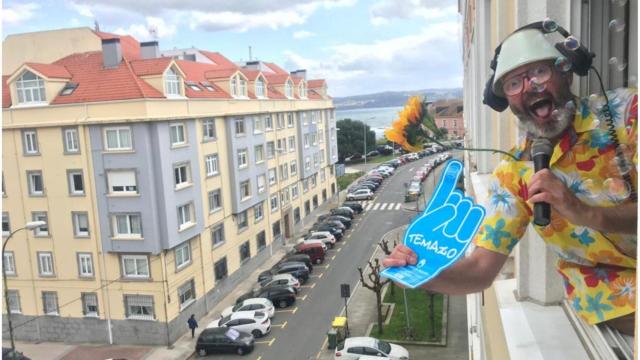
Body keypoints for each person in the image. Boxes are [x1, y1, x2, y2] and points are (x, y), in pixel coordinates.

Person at [383, 21, 637, 336]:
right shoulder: (513, 173)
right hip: (620, 303)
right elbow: (479, 271)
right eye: (513, 84)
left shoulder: (627, 113)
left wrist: (585, 213)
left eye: (539, 73)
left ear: (566, 71)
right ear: (505, 101)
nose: (529, 87)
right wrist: (423, 272)